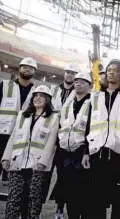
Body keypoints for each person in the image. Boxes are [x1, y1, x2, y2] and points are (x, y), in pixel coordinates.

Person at [82, 59, 120, 219]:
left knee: (119, 204)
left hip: (119, 157)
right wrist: (86, 151)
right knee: (95, 202)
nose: (111, 72)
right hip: (97, 155)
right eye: (109, 70)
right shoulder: (96, 96)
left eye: (115, 70)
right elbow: (89, 125)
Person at [0, 57, 37, 217]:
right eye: (25, 67)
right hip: (0, 138)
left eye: (31, 68)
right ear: (19, 68)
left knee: (19, 182)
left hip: (21, 141)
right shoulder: (5, 85)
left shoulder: (36, 91)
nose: (27, 70)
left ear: (34, 72)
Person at [1, 85, 59, 219]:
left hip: (37, 164)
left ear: (48, 100)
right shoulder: (23, 115)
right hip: (17, 161)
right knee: (13, 198)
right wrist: (6, 157)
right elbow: (13, 137)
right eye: (36, 95)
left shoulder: (53, 117)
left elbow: (51, 142)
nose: (38, 98)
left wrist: (43, 162)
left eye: (42, 96)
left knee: (33, 199)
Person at [58, 72, 92, 219]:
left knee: (80, 191)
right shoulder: (68, 104)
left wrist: (87, 151)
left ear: (89, 86)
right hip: (65, 152)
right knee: (67, 190)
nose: (78, 84)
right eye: (76, 81)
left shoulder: (92, 103)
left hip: (81, 152)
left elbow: (92, 127)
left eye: (83, 82)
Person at [48, 63, 80, 219]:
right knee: (44, 174)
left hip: (66, 138)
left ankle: (60, 208)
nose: (70, 75)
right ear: (64, 73)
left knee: (63, 176)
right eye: (68, 72)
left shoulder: (79, 93)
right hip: (48, 135)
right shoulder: (53, 89)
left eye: (73, 73)